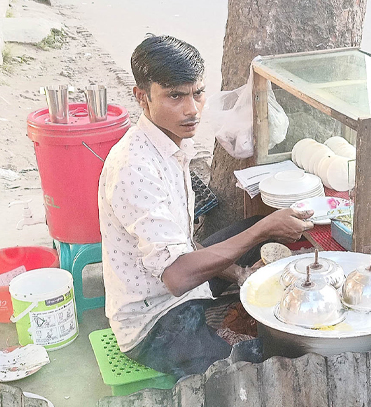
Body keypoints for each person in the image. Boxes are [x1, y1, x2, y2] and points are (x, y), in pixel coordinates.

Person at [98, 35, 313, 379]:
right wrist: (264, 229)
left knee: (255, 229)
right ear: (142, 97)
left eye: (197, 93)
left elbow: (180, 241)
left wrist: (240, 274)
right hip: (155, 322)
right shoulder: (134, 168)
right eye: (174, 96)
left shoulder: (170, 143)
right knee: (264, 362)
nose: (192, 109)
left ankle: (241, 284)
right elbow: (178, 275)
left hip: (181, 282)